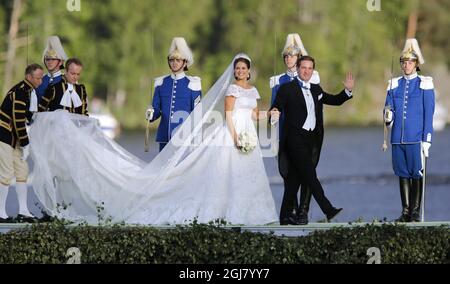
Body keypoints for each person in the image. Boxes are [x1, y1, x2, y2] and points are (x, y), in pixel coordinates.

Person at [29, 53, 278, 225]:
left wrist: (270, 114)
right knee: (197, 174)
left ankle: (249, 212)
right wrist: (236, 138)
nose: (240, 71)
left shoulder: (250, 90)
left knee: (244, 175)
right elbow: (230, 116)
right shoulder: (229, 89)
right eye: (237, 68)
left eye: (243, 69)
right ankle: (225, 210)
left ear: (249, 71)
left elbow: (254, 114)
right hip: (224, 135)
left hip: (248, 136)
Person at [270, 55, 354, 225]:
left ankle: (284, 217)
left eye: (310, 68)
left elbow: (334, 100)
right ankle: (328, 209)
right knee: (310, 175)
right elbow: (276, 105)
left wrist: (347, 92)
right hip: (294, 139)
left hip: (311, 140)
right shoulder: (287, 88)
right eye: (303, 68)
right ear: (298, 69)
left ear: (312, 70)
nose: (306, 71)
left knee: (294, 180)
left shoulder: (316, 89)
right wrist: (274, 113)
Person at [269, 33, 321, 225]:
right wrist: (272, 116)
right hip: (285, 135)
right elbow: (273, 106)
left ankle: (303, 211)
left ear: (299, 59)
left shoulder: (311, 77)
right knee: (287, 173)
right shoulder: (277, 81)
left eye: (292, 56)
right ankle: (291, 210)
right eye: (286, 56)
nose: (289, 59)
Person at [384, 38, 435, 222]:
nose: (406, 65)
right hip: (398, 137)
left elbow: (429, 113)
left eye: (410, 62)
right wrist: (388, 117)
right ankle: (405, 211)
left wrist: (427, 139)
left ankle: (415, 211)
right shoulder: (394, 84)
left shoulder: (424, 84)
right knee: (402, 173)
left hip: (416, 138)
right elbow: (388, 108)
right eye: (404, 62)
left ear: (416, 64)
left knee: (416, 173)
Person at [0, 64, 44, 222]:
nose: (40, 81)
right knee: (5, 174)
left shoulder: (29, 91)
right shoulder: (20, 91)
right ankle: (1, 213)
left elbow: (27, 115)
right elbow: (18, 119)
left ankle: (23, 211)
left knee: (22, 171)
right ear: (29, 77)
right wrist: (25, 143)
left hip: (15, 138)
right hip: (4, 137)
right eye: (38, 78)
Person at [145, 37, 202, 151]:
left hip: (185, 139)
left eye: (178, 60)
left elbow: (197, 114)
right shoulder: (161, 83)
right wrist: (150, 114)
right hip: (164, 137)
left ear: (184, 62)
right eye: (172, 60)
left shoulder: (193, 84)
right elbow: (156, 110)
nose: (174, 63)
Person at [35, 36, 68, 101]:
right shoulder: (38, 80)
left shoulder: (67, 81)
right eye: (47, 59)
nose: (50, 62)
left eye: (53, 59)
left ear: (60, 62)